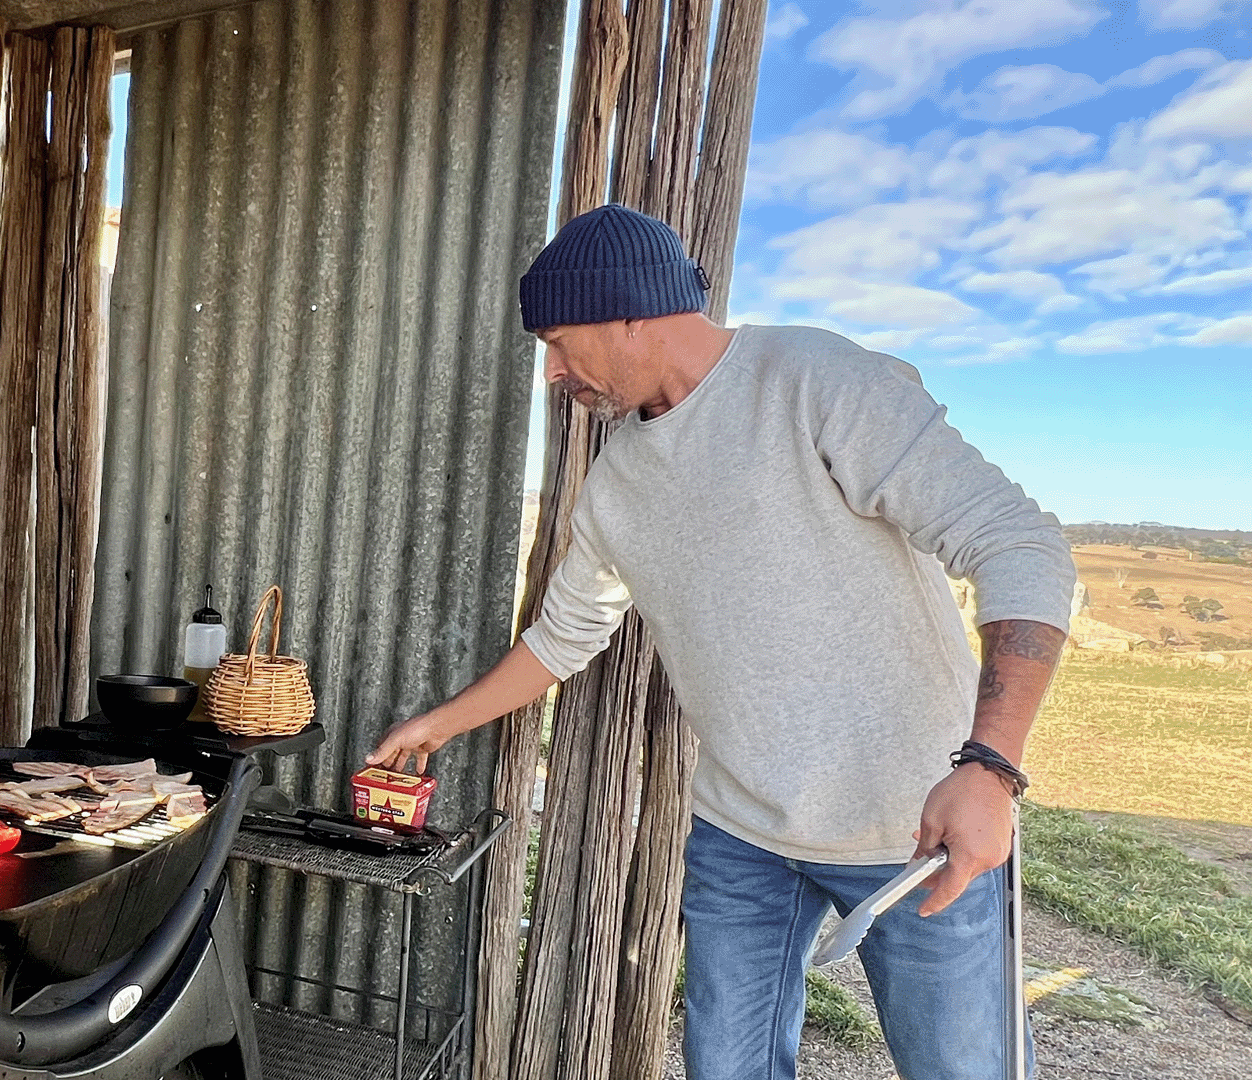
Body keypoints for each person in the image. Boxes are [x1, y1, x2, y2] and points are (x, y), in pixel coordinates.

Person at [368, 205, 1074, 1080]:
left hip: (916, 829)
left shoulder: (814, 381)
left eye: (557, 342)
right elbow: (562, 638)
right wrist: (437, 725)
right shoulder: (616, 483)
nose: (551, 371)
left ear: (629, 313)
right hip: (741, 838)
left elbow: (1019, 545)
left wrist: (991, 769)